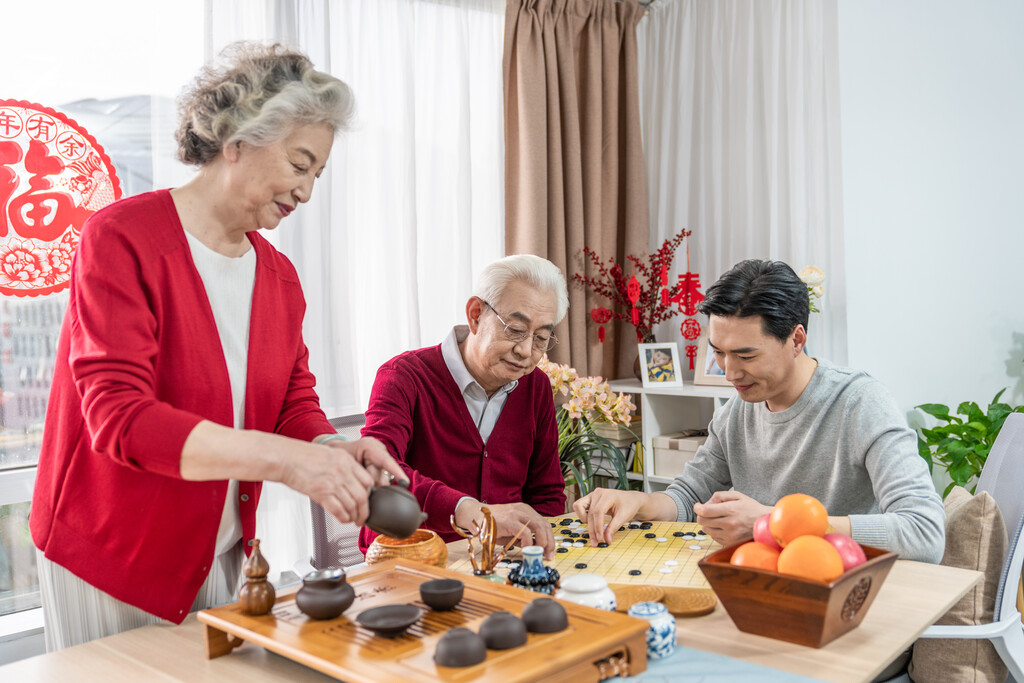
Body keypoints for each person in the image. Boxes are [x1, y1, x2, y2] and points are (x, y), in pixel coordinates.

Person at [30, 42, 406, 650]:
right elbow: (119, 418)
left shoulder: (280, 277)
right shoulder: (123, 238)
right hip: (109, 555)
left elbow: (290, 401)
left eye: (317, 174)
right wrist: (290, 464)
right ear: (238, 141)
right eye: (299, 163)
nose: (307, 192)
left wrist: (334, 448)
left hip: (220, 554)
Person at [575, 259, 945, 563]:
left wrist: (774, 522)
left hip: (844, 598)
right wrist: (636, 501)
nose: (729, 372)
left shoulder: (860, 403)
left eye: (746, 355)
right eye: (719, 352)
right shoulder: (735, 411)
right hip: (762, 587)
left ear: (796, 340)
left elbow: (925, 533)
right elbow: (688, 499)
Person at [358, 255, 569, 559]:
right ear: (475, 315)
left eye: (541, 338)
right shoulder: (403, 377)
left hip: (502, 559)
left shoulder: (535, 387)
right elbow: (379, 472)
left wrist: (535, 542)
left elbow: (547, 494)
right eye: (515, 329)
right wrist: (469, 510)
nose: (525, 351)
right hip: (413, 556)